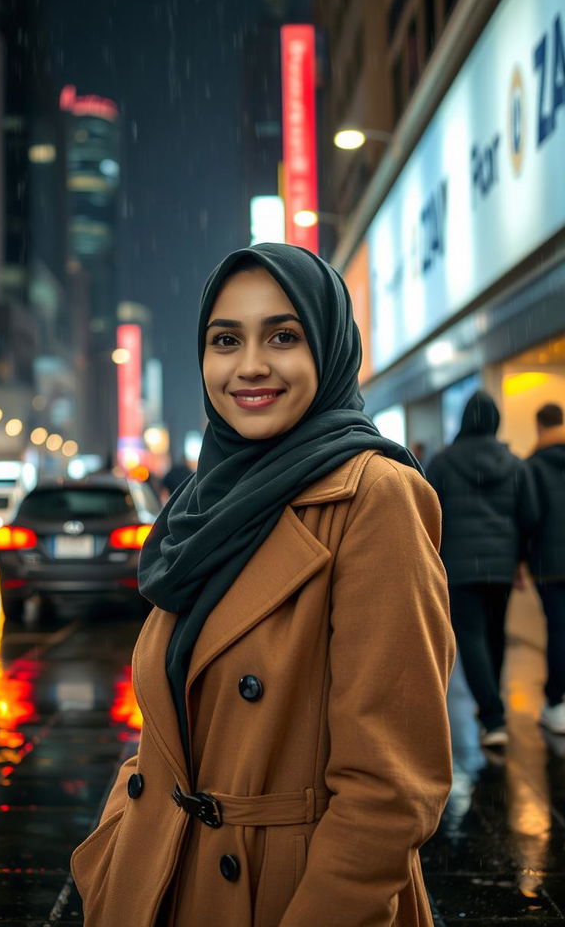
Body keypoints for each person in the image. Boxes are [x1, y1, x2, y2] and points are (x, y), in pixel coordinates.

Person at [71, 242, 455, 927]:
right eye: (226, 340)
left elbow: (391, 791)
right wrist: (111, 855)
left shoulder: (374, 497)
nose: (249, 365)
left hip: (284, 900)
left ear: (330, 350)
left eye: (283, 335)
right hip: (159, 882)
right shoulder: (202, 504)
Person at [426, 390, 535, 750]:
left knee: (470, 637)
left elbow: (429, 513)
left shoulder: (442, 463)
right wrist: (520, 560)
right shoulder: (515, 464)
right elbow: (529, 515)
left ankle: (492, 716)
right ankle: (492, 707)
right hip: (502, 565)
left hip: (459, 565)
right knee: (495, 633)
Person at [525, 402, 565, 734]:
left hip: (549, 563)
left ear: (539, 426)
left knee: (557, 629)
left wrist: (522, 559)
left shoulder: (533, 465)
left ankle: (555, 701)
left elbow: (531, 515)